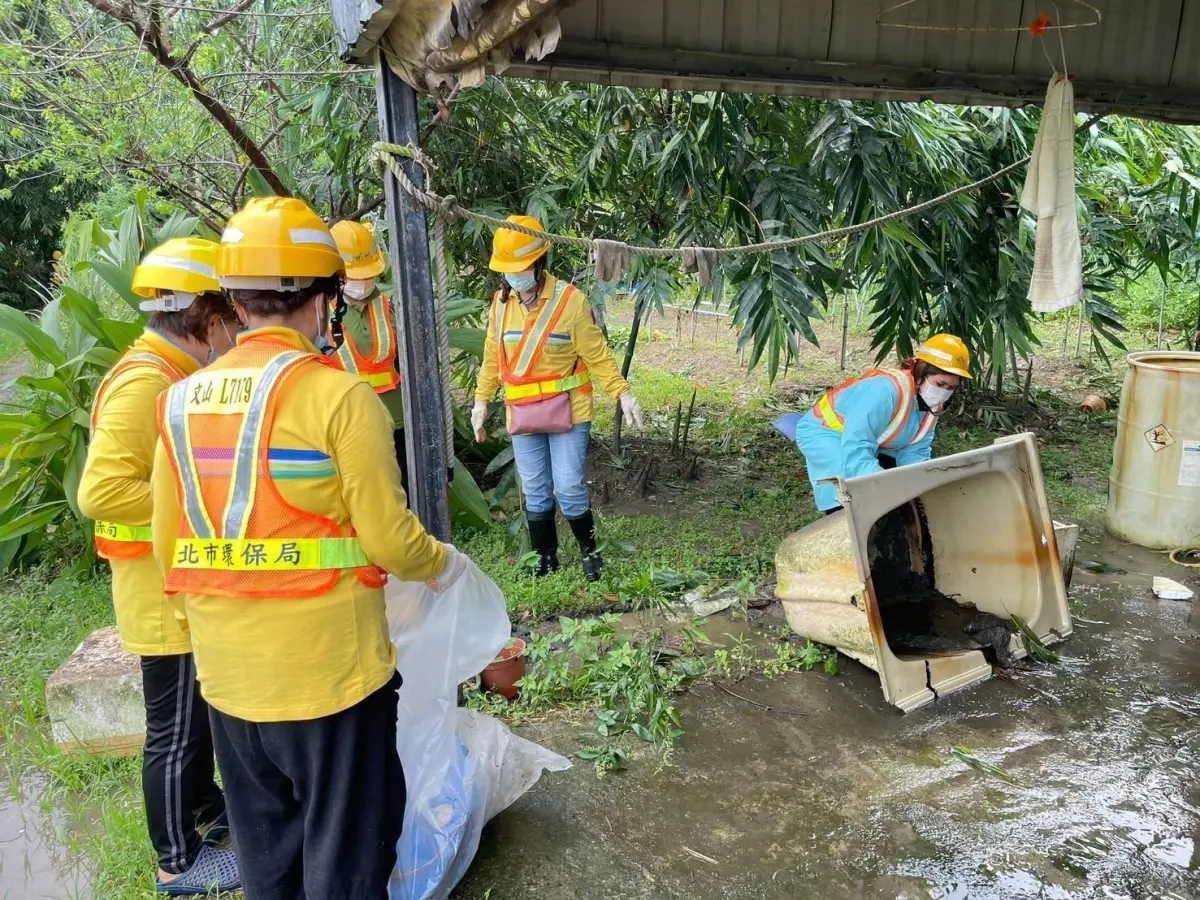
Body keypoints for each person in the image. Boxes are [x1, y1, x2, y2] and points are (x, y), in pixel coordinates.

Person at [150, 196, 465, 900]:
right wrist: (446, 565)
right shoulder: (338, 398)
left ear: (232, 298)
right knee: (347, 857)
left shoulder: (179, 403)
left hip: (229, 681)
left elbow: (168, 543)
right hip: (332, 679)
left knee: (269, 856)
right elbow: (390, 539)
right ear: (324, 303)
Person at [77, 237, 241, 896]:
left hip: (175, 581)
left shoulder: (170, 370)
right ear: (203, 316)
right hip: (155, 590)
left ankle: (202, 810)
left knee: (195, 715)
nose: (233, 324)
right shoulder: (145, 381)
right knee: (173, 729)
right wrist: (192, 501)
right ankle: (177, 862)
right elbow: (100, 492)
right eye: (226, 310)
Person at [471, 215, 643, 581]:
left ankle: (590, 553)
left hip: (569, 410)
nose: (514, 277)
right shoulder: (501, 305)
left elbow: (596, 354)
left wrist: (623, 394)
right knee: (535, 490)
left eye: (520, 268)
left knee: (567, 487)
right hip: (523, 413)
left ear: (539, 262)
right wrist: (481, 401)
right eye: (508, 271)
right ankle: (545, 560)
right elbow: (491, 355)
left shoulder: (571, 302)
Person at [790, 333, 971, 514]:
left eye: (951, 388)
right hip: (825, 430)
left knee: (885, 487)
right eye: (940, 383)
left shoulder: (932, 405)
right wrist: (881, 486)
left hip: (868, 438)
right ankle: (840, 529)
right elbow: (857, 443)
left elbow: (916, 450)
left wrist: (919, 487)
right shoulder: (885, 390)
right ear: (921, 373)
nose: (943, 392)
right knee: (847, 491)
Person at [328, 219, 408, 485]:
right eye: (356, 277)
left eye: (368, 275)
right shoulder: (321, 312)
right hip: (348, 421)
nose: (363, 282)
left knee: (399, 490)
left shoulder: (388, 306)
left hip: (394, 420)